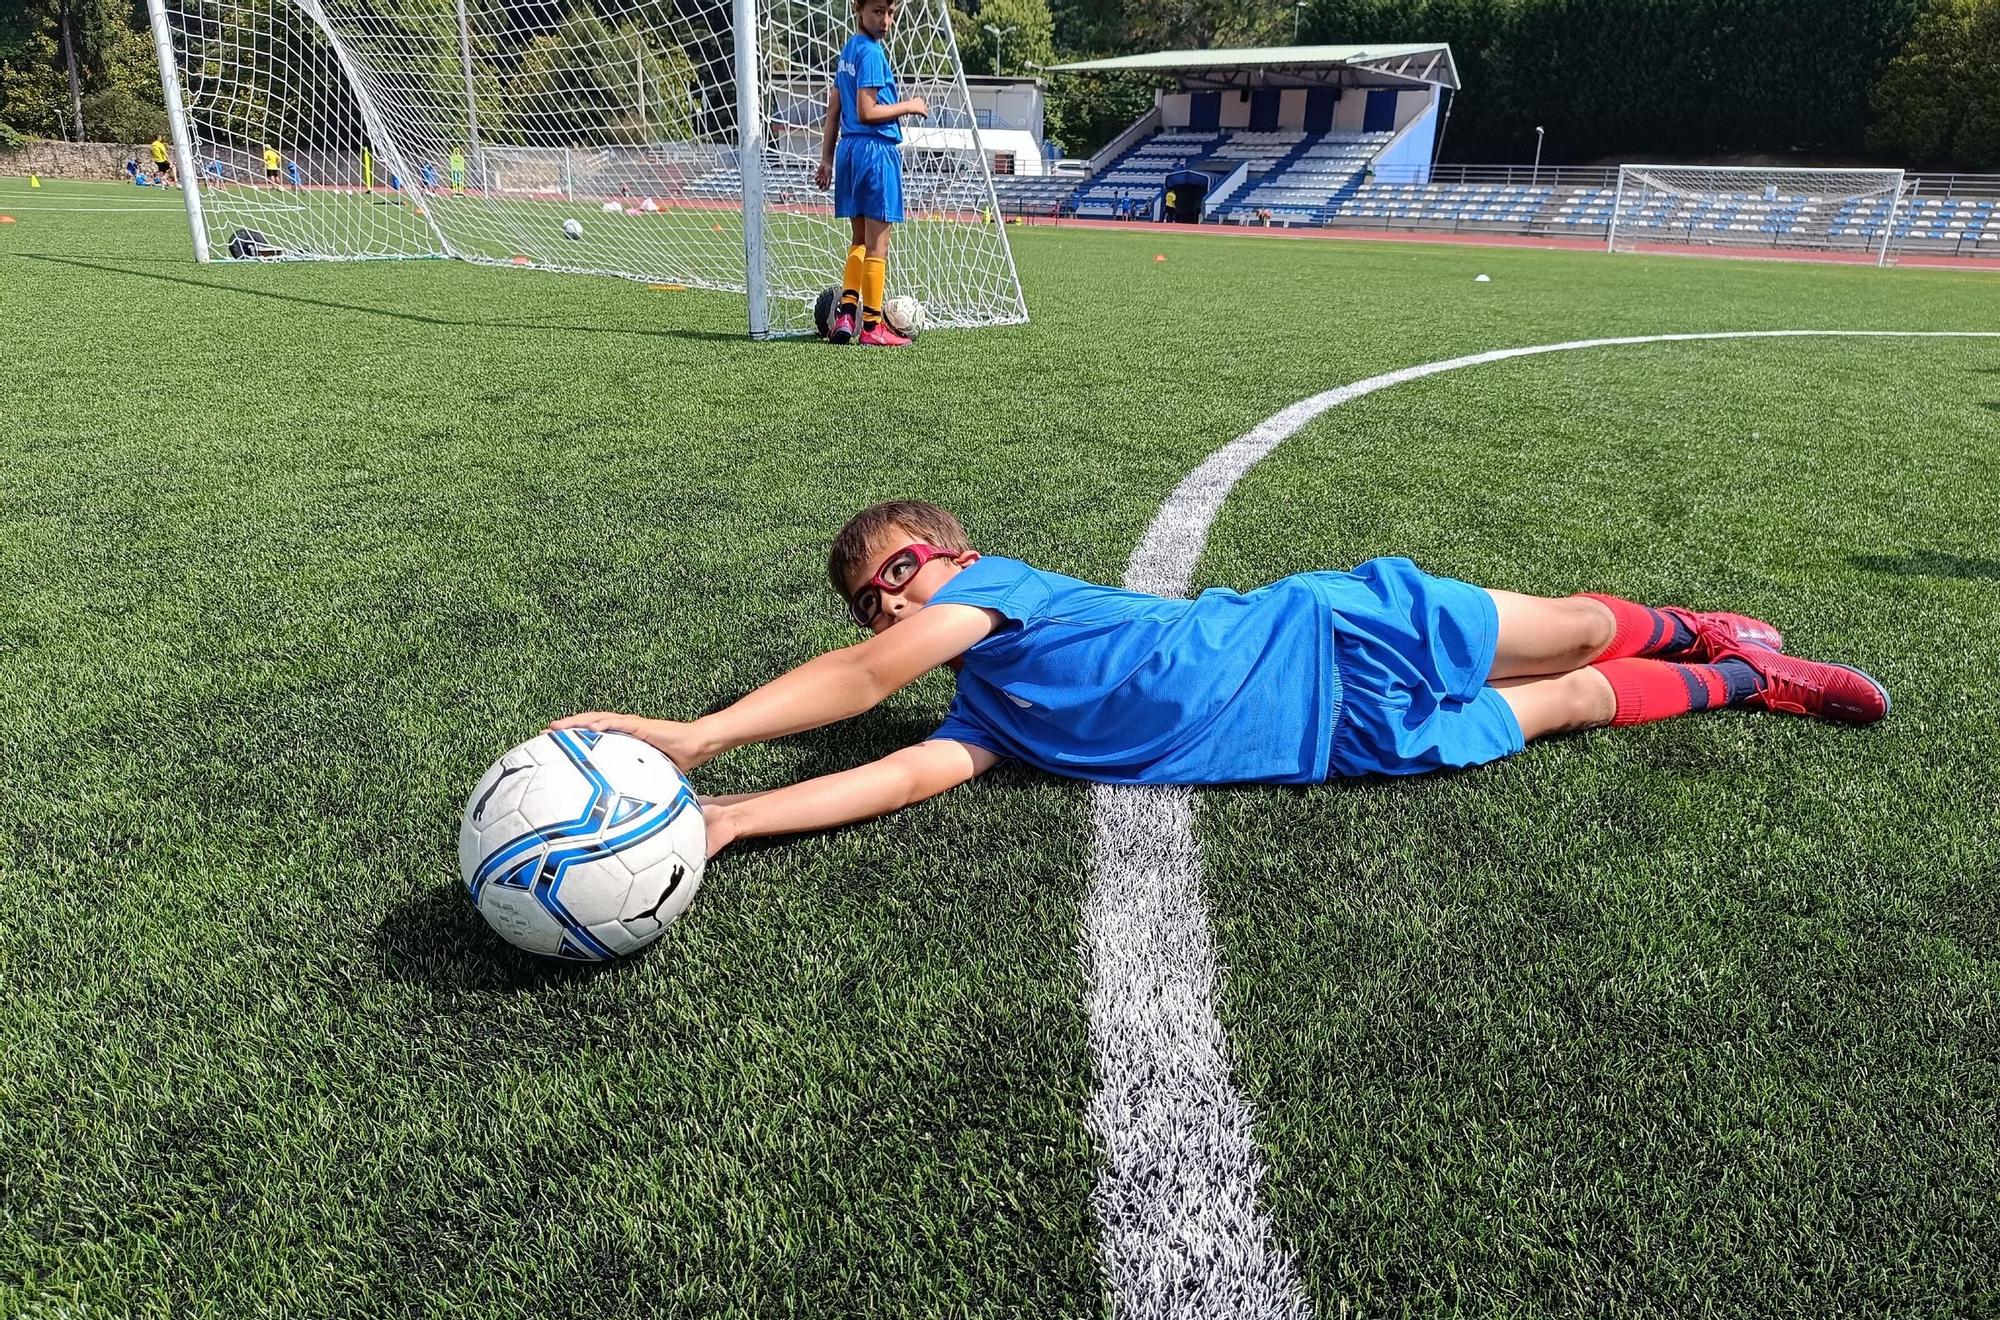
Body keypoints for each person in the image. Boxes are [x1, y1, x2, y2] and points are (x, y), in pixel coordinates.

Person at [553, 502, 1891, 859]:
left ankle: (1690, 624)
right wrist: (728, 824)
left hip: (1331, 632)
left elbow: (859, 681)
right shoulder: (985, 719)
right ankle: (1751, 687)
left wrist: (700, 736)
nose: (888, 598)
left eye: (897, 570)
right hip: (1334, 741)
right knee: (1574, 702)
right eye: (870, 593)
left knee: (1558, 631)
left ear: (947, 556)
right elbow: (895, 768)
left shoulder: (990, 591)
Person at [813, 0, 929, 347]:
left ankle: (847, 315)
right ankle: (873, 326)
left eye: (890, 12)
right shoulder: (872, 54)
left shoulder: (848, 49)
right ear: (857, 9)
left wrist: (827, 159)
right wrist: (910, 105)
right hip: (875, 153)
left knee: (860, 241)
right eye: (878, 11)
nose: (886, 20)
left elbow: (835, 109)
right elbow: (866, 110)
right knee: (879, 244)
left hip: (849, 152)